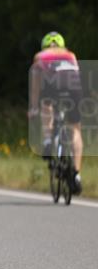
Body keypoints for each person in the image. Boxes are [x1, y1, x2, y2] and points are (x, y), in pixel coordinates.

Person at [30, 31, 84, 195]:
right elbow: (77, 75)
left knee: (46, 105)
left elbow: (36, 81)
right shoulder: (70, 54)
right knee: (75, 129)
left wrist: (33, 106)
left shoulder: (40, 56)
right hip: (74, 88)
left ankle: (47, 141)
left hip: (53, 85)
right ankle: (76, 173)